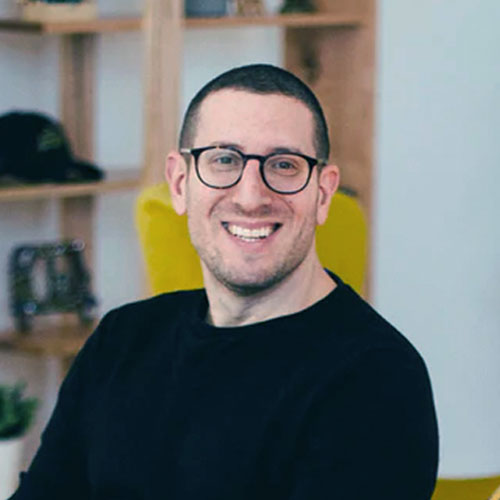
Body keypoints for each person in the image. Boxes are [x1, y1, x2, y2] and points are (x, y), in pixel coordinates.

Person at [11, 64, 438, 500]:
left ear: (323, 193)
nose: (251, 197)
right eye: (224, 160)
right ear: (180, 183)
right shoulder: (122, 339)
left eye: (284, 165)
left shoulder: (376, 378)